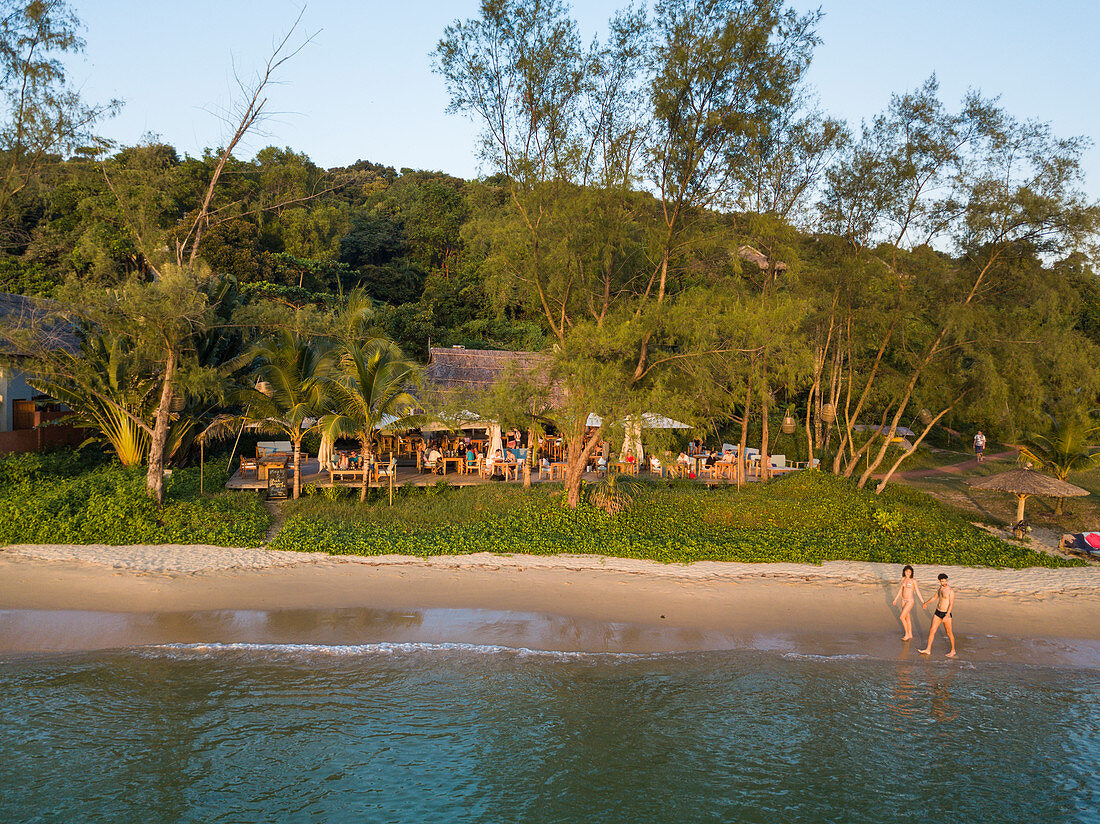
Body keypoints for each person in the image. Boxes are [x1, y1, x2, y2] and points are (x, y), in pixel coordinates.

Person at [919, 573, 957, 658]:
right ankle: (928, 649)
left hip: (946, 613)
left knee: (949, 632)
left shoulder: (950, 590)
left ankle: (953, 650)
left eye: (945, 581)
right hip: (937, 612)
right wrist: (926, 603)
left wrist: (947, 615)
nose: (944, 583)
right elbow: (935, 597)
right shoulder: (939, 588)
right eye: (942, 581)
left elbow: (951, 604)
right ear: (939, 581)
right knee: (932, 630)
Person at [892, 565, 926, 641]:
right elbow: (900, 590)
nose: (908, 573)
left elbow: (917, 592)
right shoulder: (903, 579)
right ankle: (910, 634)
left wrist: (923, 602)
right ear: (904, 572)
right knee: (907, 618)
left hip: (910, 601)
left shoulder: (913, 581)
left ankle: (906, 634)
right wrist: (896, 599)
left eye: (909, 572)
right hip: (903, 600)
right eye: (907, 571)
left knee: (901, 617)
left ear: (911, 573)